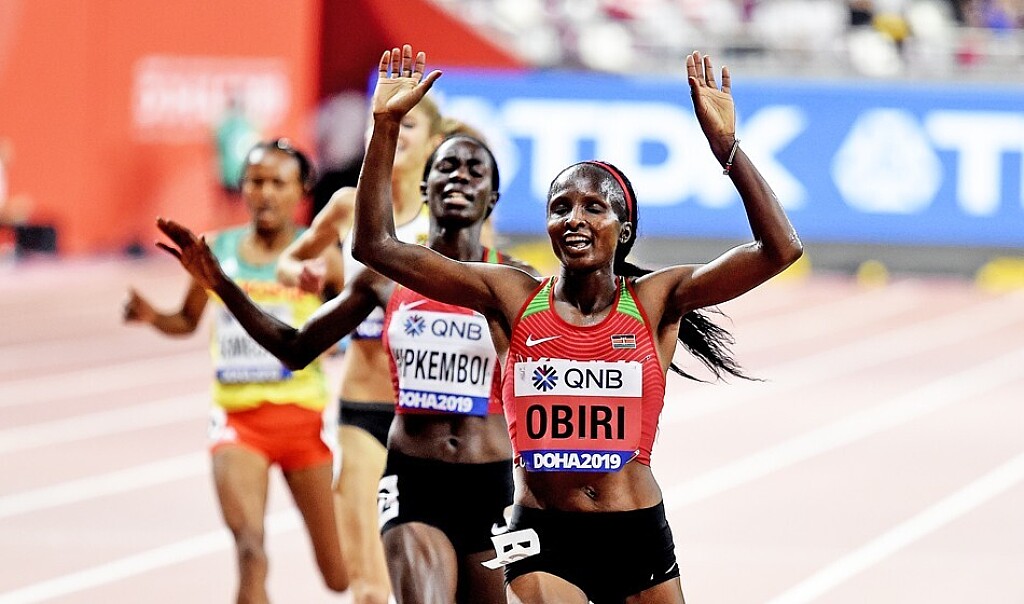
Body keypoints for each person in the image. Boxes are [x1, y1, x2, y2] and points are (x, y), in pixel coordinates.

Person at [348, 45, 803, 603]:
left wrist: (727, 149)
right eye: (561, 207)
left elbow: (779, 249)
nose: (574, 219)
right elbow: (375, 245)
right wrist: (385, 125)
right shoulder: (512, 296)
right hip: (542, 534)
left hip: (636, 535)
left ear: (623, 229)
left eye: (593, 207)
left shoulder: (656, 300)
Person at [155, 131, 537, 602]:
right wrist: (220, 282)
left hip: (491, 485)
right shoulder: (384, 281)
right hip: (414, 482)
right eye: (447, 167)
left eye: (475, 171)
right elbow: (295, 347)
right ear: (425, 188)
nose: (459, 176)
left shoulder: (515, 284)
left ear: (492, 197)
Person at [273, 95, 487, 604]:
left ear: (434, 143)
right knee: (369, 585)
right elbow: (289, 261)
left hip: (433, 422)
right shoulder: (348, 205)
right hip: (364, 409)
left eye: (409, 125)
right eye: (387, 126)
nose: (394, 134)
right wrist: (305, 274)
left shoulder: (453, 211)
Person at [124, 139, 349, 603]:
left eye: (278, 183)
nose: (264, 193)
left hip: (304, 424)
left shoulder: (322, 255)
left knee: (340, 574)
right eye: (255, 181)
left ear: (302, 189)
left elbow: (351, 329)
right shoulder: (217, 251)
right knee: (250, 551)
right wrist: (152, 316)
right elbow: (187, 320)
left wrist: (328, 314)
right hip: (237, 425)